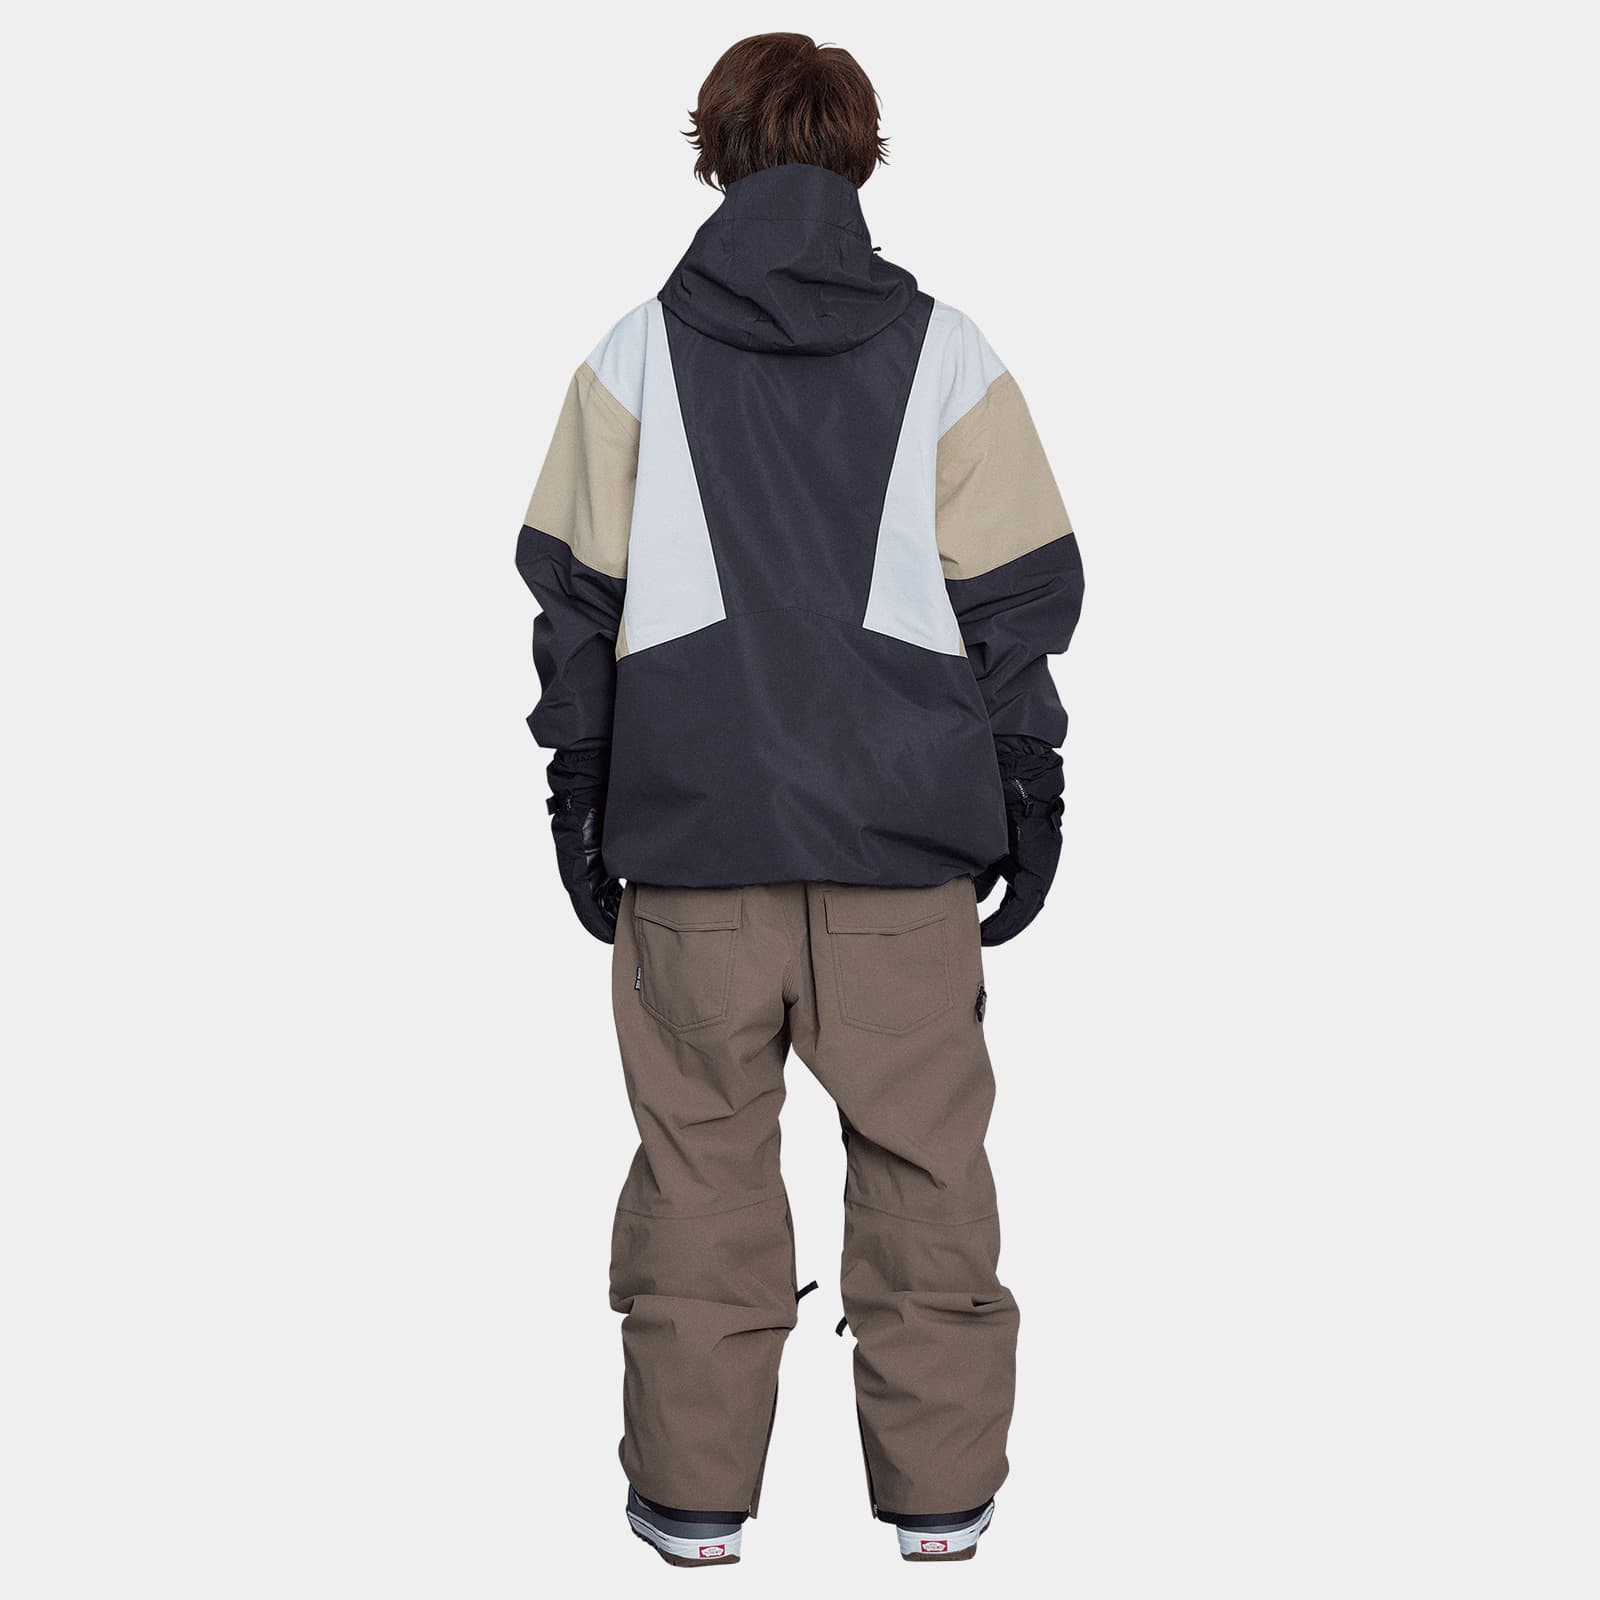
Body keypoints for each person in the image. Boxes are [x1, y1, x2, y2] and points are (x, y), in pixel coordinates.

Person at [516, 32, 1084, 1567]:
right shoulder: (950, 353)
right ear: (859, 151)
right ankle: (941, 1507)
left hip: (694, 856)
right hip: (904, 858)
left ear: (713, 148)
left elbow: (572, 600)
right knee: (926, 1179)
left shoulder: (635, 353)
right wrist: (1029, 782)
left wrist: (582, 789)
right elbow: (1019, 598)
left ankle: (694, 1506)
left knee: (698, 1181)